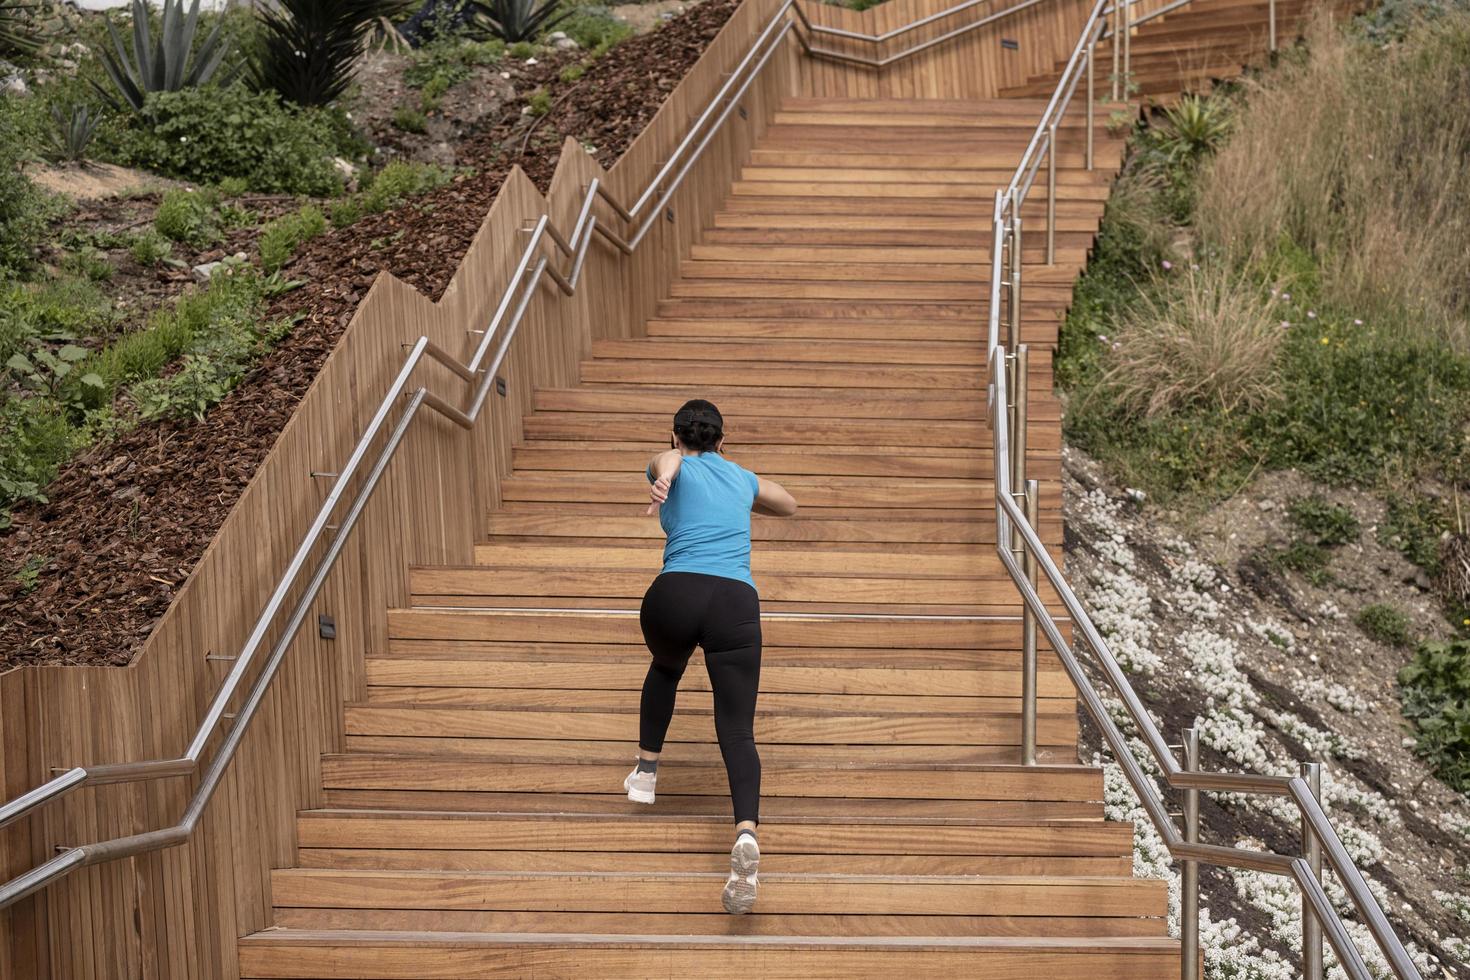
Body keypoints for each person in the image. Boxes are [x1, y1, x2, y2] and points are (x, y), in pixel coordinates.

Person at [622, 399, 797, 915]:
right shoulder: (740, 475)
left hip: (675, 594)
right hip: (735, 604)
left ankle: (646, 771)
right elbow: (788, 503)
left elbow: (669, 465)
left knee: (667, 666)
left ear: (677, 437)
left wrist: (665, 479)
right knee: (738, 730)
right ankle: (745, 832)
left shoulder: (672, 461)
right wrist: (741, 491)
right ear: (723, 440)